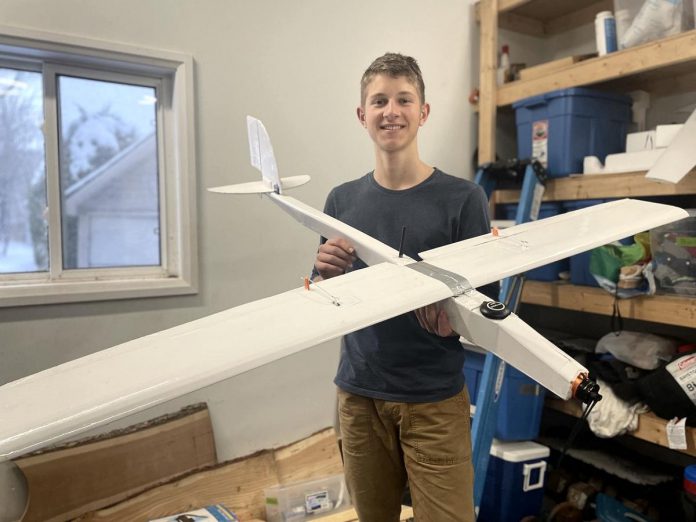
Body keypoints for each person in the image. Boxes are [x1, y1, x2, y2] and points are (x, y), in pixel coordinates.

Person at [311, 52, 498, 522]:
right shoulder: (341, 200)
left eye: (403, 99)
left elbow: (485, 304)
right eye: (378, 101)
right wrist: (322, 275)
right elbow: (327, 298)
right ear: (362, 115)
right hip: (359, 396)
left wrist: (451, 321)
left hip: (433, 399)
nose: (390, 111)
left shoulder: (463, 199)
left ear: (423, 112)